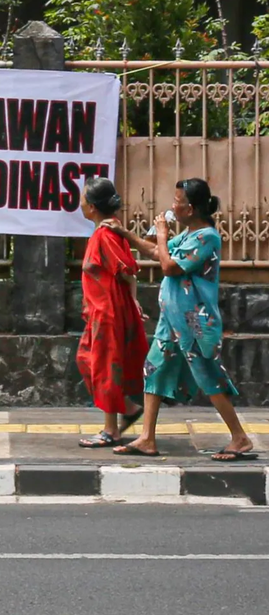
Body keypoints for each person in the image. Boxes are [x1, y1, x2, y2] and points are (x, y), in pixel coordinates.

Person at [104, 178, 256, 461]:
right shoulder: (186, 235)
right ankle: (147, 438)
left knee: (209, 377)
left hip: (195, 324)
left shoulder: (206, 237)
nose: (173, 206)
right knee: (154, 370)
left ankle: (240, 438)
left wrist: (162, 235)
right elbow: (152, 251)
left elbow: (169, 267)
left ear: (192, 208)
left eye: (178, 202)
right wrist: (124, 232)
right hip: (172, 322)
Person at [77, 177, 149, 448]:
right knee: (87, 360)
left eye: (84, 198)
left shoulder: (105, 235)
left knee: (105, 366)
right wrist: (132, 300)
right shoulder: (105, 233)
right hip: (99, 312)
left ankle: (111, 429)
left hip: (106, 311)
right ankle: (127, 408)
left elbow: (127, 269)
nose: (80, 202)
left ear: (93, 206)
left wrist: (132, 301)